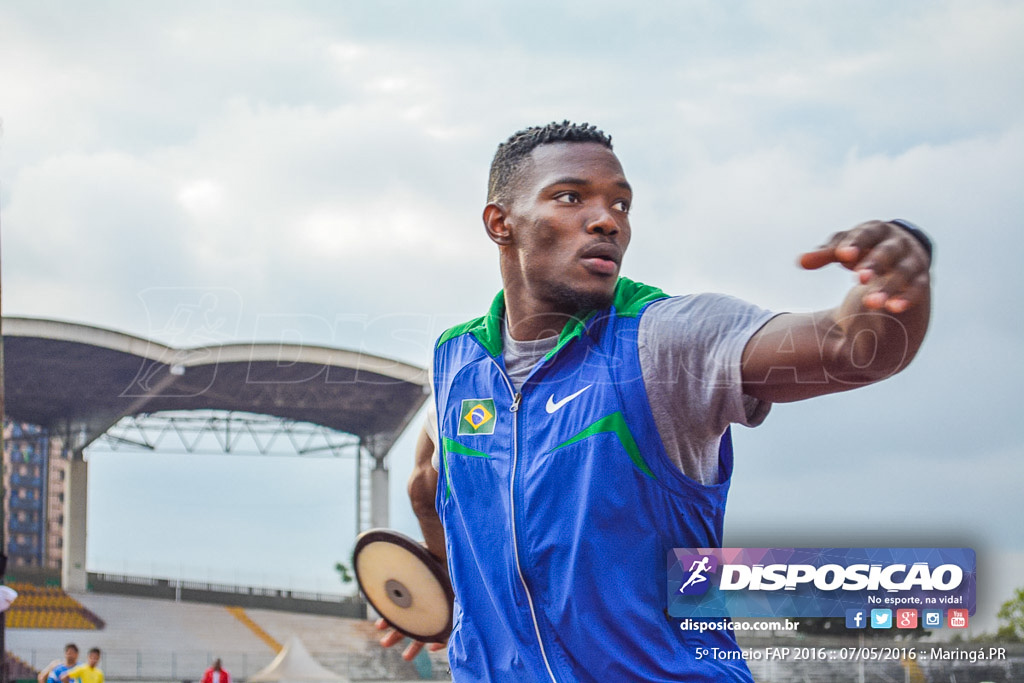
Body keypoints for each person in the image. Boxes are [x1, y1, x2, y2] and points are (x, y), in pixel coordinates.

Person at [379, 121, 932, 681]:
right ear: (501, 223)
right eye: (571, 197)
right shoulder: (458, 361)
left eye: (621, 204)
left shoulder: (667, 339)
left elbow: (851, 348)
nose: (607, 221)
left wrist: (899, 263)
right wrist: (446, 596)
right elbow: (426, 480)